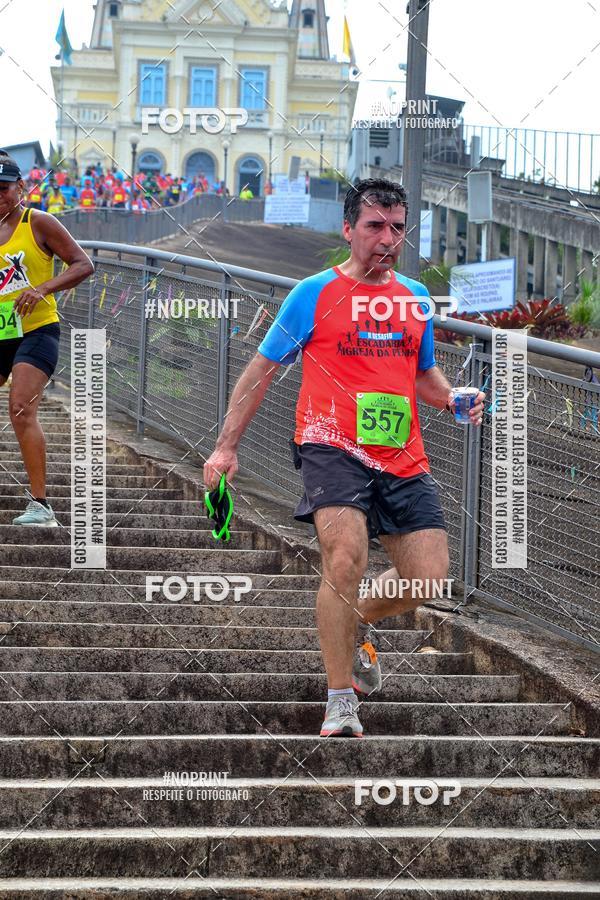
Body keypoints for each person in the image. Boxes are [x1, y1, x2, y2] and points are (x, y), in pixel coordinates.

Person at [204, 178, 485, 738]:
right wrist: (225, 446)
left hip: (401, 454)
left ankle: (353, 625)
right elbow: (262, 372)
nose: (388, 238)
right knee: (344, 559)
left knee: (427, 580)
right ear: (349, 229)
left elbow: (422, 374)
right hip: (330, 442)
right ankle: (340, 698)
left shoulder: (413, 298)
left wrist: (451, 396)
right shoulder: (312, 293)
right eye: (376, 226)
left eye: (398, 227)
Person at [0, 152, 94, 525]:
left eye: (4, 189)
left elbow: (83, 264)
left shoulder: (38, 222)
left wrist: (42, 289)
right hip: (1, 330)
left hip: (37, 329)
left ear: (21, 186)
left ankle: (41, 506)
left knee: (20, 408)